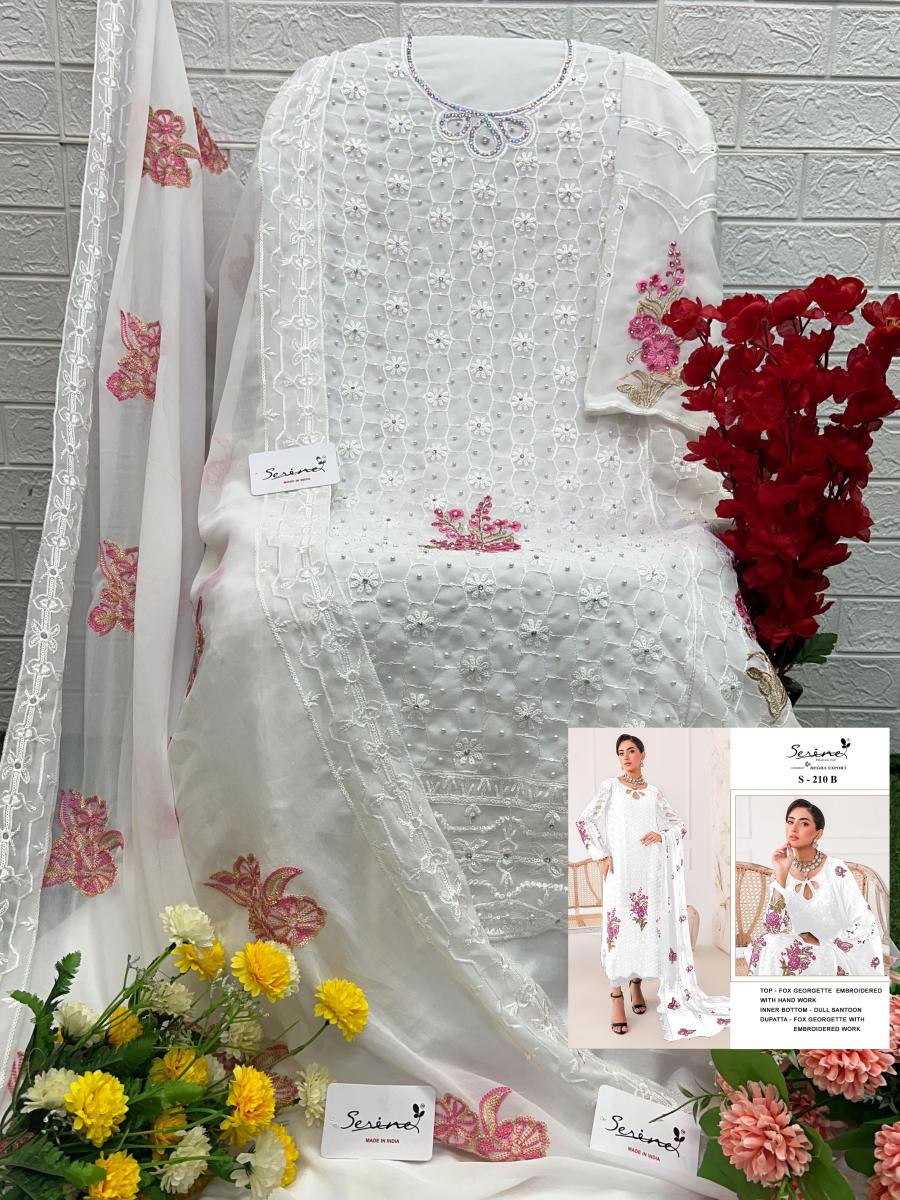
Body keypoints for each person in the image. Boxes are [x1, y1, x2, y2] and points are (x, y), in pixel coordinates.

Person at [577, 734, 730, 1040]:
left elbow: (679, 826)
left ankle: (636, 984)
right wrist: (601, 855)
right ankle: (617, 994)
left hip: (649, 871)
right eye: (621, 752)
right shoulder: (611, 787)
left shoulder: (654, 793)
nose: (626, 757)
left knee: (644, 929)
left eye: (631, 750)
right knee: (620, 930)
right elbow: (585, 821)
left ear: (643, 754)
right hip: (620, 871)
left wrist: (662, 835)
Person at [748, 800, 886, 977]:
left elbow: (865, 923)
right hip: (799, 949)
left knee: (774, 949)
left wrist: (822, 941)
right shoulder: (782, 871)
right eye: (790, 821)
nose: (794, 828)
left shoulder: (836, 870)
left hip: (836, 951)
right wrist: (781, 874)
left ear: (818, 833)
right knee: (766, 943)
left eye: (804, 823)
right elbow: (773, 928)